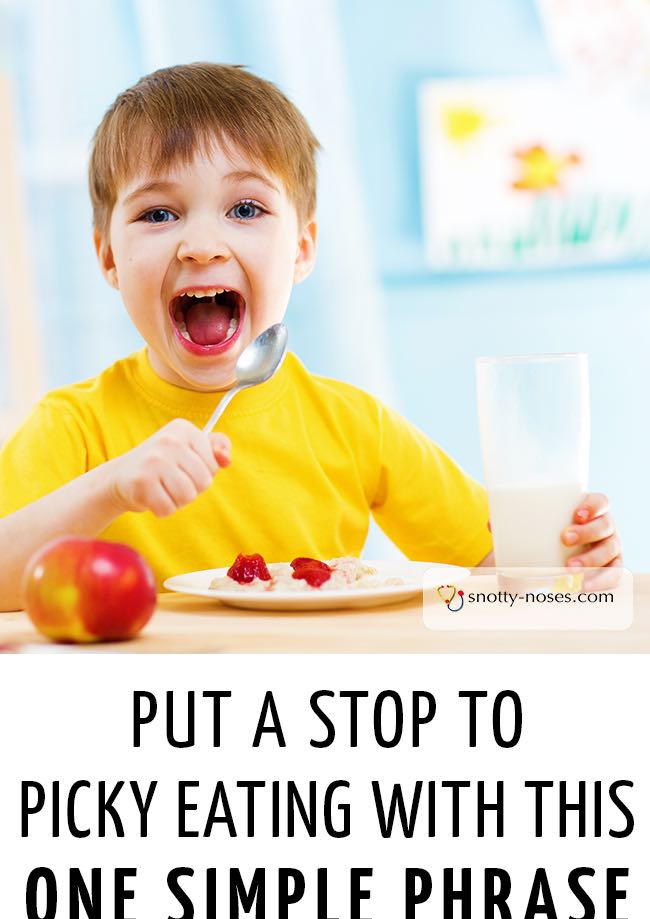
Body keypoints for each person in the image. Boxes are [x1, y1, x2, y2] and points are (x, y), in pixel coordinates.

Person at [0, 63, 621, 610]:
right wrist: (111, 487)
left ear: (302, 249)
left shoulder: (353, 426)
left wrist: (569, 564)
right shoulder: (73, 429)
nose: (201, 245)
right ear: (108, 258)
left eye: (246, 209)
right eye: (158, 215)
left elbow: (502, 576)